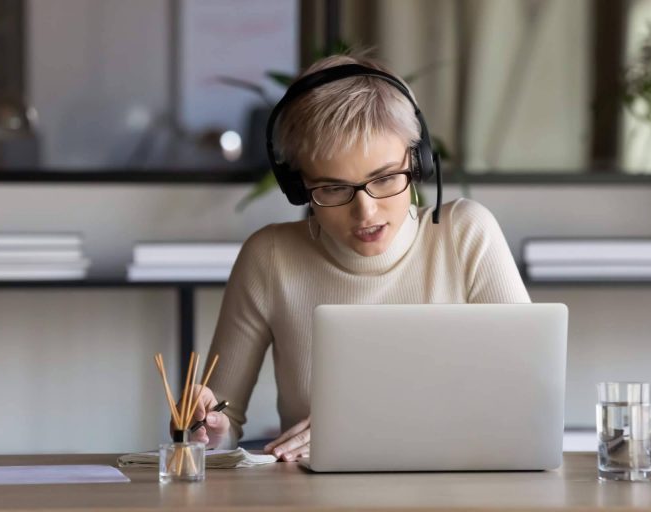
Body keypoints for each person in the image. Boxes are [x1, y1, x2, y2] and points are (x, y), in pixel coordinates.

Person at [179, 53, 530, 462]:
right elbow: (222, 423)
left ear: (418, 162)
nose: (365, 212)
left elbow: (523, 399)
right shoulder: (269, 257)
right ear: (299, 186)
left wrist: (364, 428)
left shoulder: (468, 234)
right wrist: (208, 428)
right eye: (332, 189)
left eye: (384, 178)